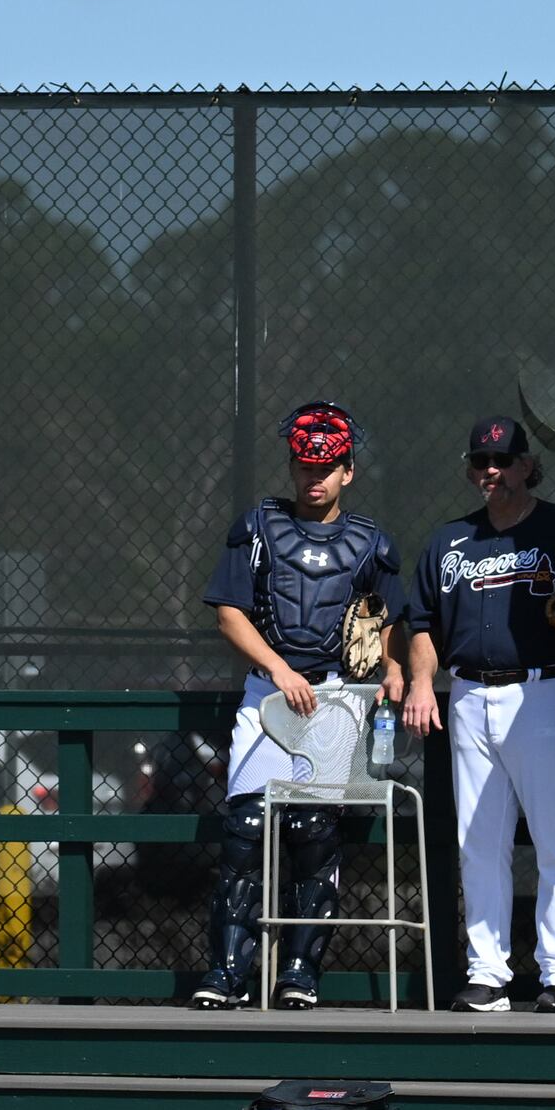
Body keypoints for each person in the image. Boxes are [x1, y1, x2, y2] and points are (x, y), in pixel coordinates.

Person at [400, 415, 555, 1012]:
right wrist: (423, 683)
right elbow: (421, 623)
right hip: (469, 693)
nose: (489, 471)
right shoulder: (450, 541)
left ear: (527, 465)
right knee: (479, 842)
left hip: (549, 691)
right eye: (480, 462)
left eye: (501, 460)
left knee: (554, 835)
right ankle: (487, 972)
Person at [199, 400, 408, 1011]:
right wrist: (279, 667)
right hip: (269, 695)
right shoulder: (258, 528)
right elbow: (228, 612)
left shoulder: (372, 543)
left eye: (328, 467)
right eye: (304, 466)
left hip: (337, 700)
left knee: (313, 833)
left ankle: (298, 973)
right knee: (245, 831)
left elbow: (391, 619)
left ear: (348, 471)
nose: (314, 477)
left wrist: (394, 667)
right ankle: (228, 974)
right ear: (291, 467)